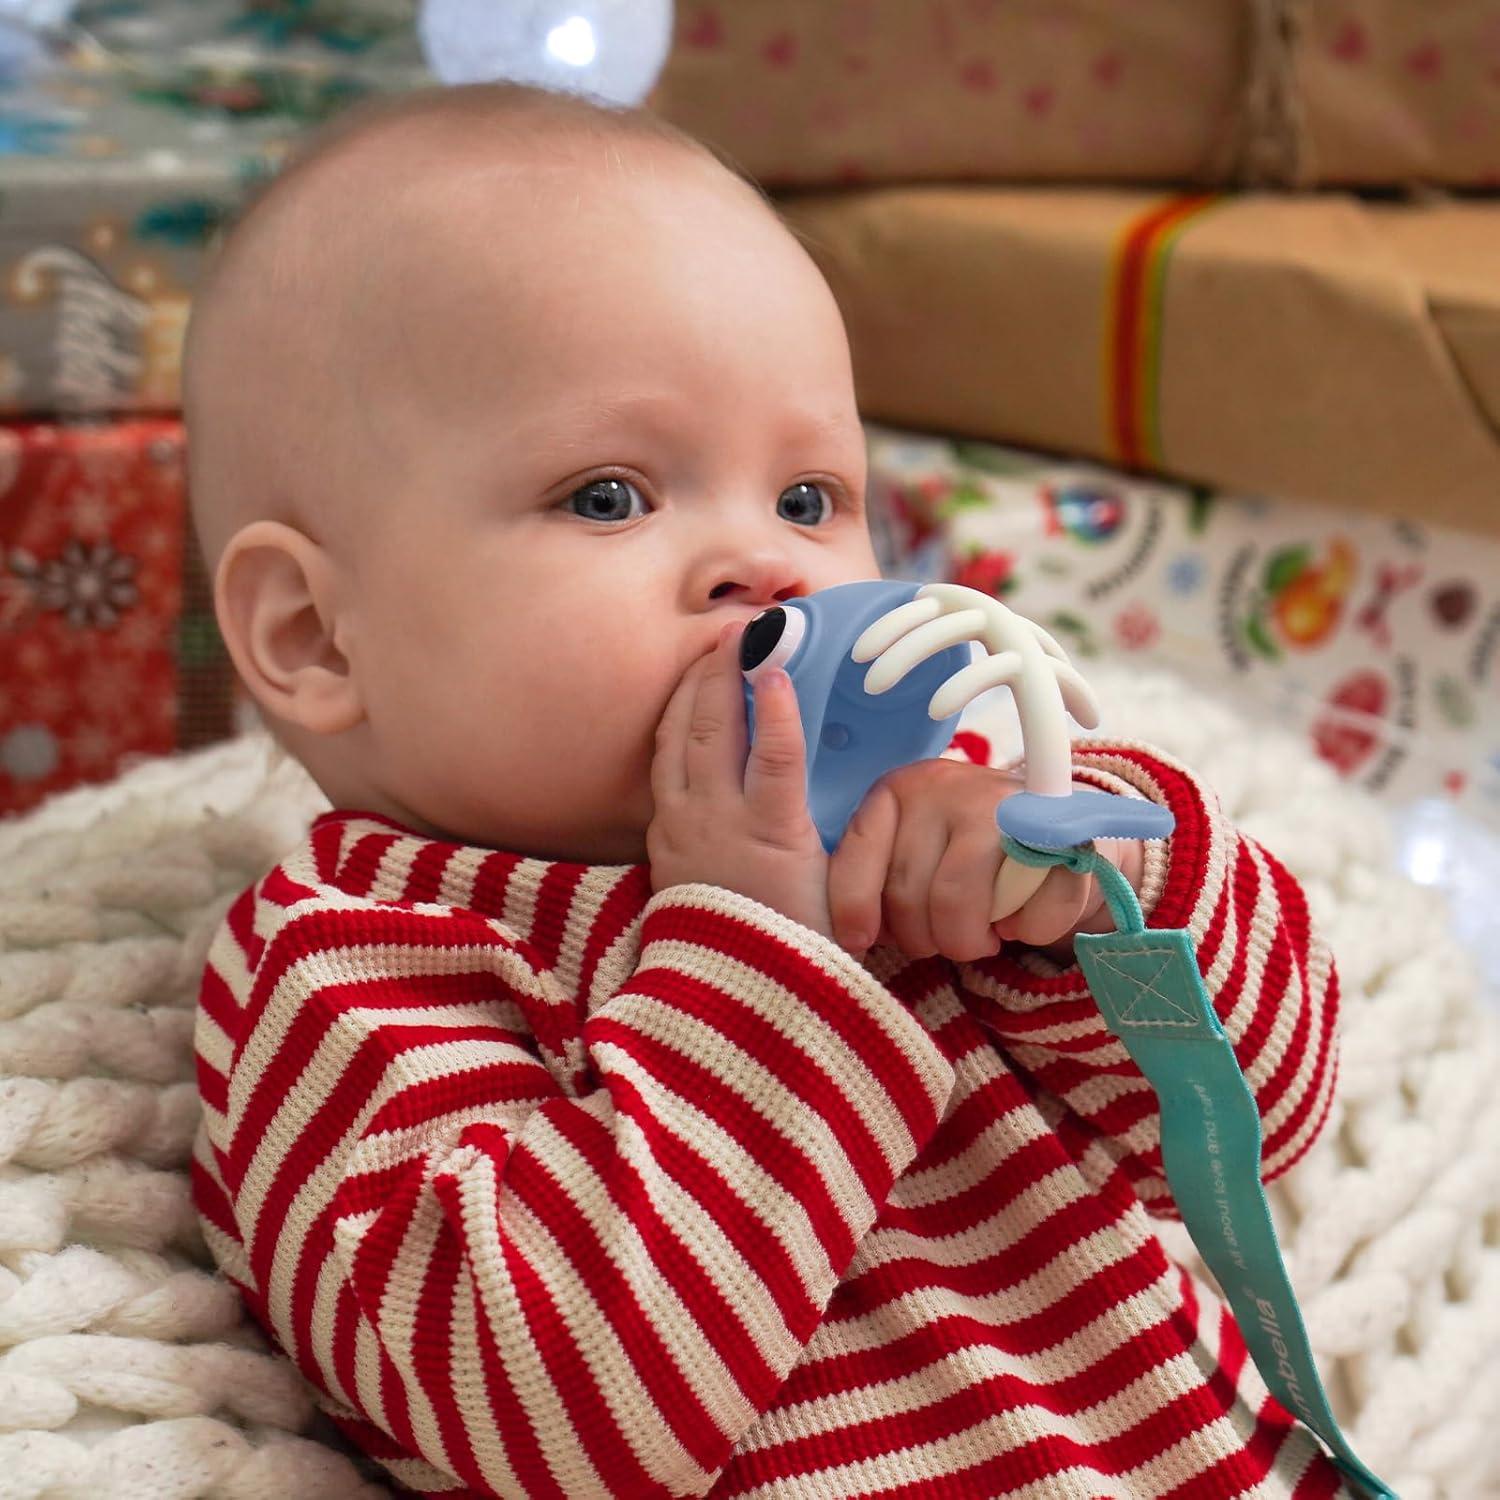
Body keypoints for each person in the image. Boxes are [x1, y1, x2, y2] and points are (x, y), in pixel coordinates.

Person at [185, 83, 1347, 1498]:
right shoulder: (350, 975)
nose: (772, 565)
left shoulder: (921, 825)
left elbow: (1268, 1121)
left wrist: (1097, 882)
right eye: (609, 495)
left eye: (809, 498)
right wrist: (756, 954)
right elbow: (553, 1412)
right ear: (315, 636)